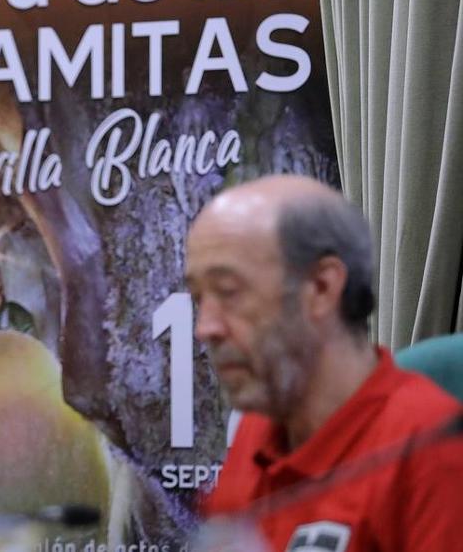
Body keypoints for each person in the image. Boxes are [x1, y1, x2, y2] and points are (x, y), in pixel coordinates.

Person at [186, 175, 463, 550]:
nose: (206, 328)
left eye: (229, 292)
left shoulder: (433, 454)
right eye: (199, 298)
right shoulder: (259, 429)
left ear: (321, 287)